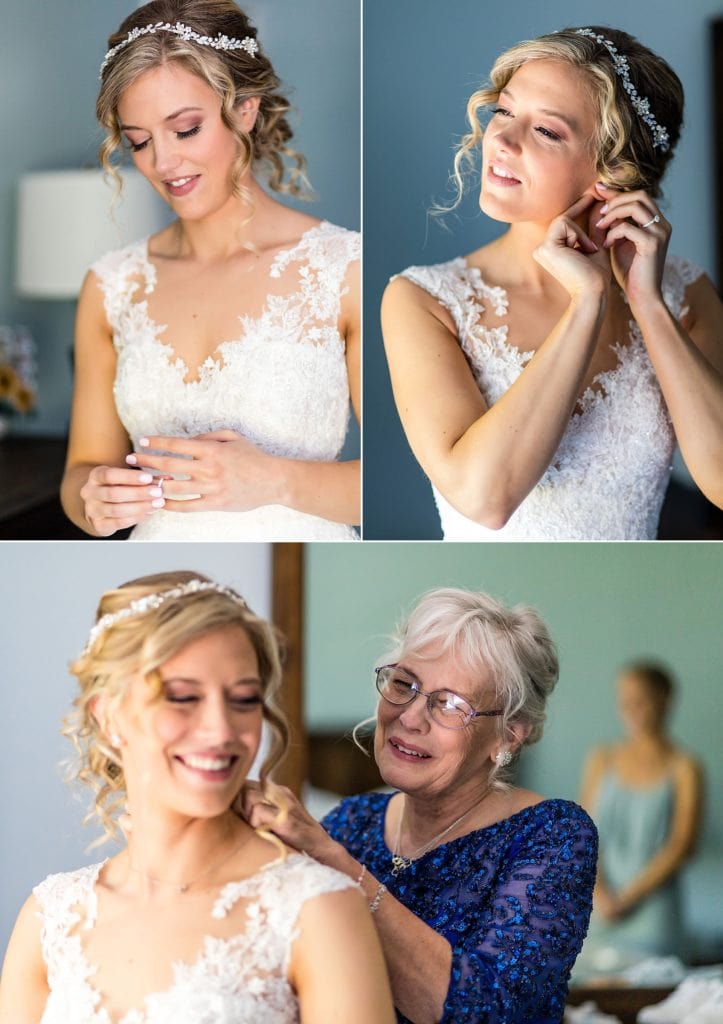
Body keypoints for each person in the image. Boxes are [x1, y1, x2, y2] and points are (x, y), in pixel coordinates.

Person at [0, 572, 394, 1024]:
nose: (221, 731)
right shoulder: (50, 917)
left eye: (244, 700)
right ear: (107, 716)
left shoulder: (316, 909)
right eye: (184, 697)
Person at [381, 26, 723, 541]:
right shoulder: (424, 301)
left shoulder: (686, 293)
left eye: (546, 131)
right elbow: (485, 499)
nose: (501, 139)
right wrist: (588, 302)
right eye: (504, 111)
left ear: (613, 172)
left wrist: (649, 305)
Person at [60, 0, 360, 541]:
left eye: (186, 129)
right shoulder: (110, 285)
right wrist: (93, 501)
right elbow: (81, 471)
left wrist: (274, 480)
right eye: (140, 141)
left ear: (244, 108)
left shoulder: (345, 272)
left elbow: (403, 480)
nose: (163, 164)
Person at [243, 587, 598, 1024]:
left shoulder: (552, 834)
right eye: (403, 684)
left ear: (508, 735)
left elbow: (491, 1013)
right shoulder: (351, 822)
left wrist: (337, 865)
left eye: (450, 704)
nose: (410, 717)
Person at [579, 662, 704, 965]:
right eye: (624, 701)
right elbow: (583, 833)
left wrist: (627, 898)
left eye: (641, 700)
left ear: (666, 700)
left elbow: (681, 847)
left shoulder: (685, 767)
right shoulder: (601, 759)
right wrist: (601, 893)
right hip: (598, 910)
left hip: (653, 918)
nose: (630, 709)